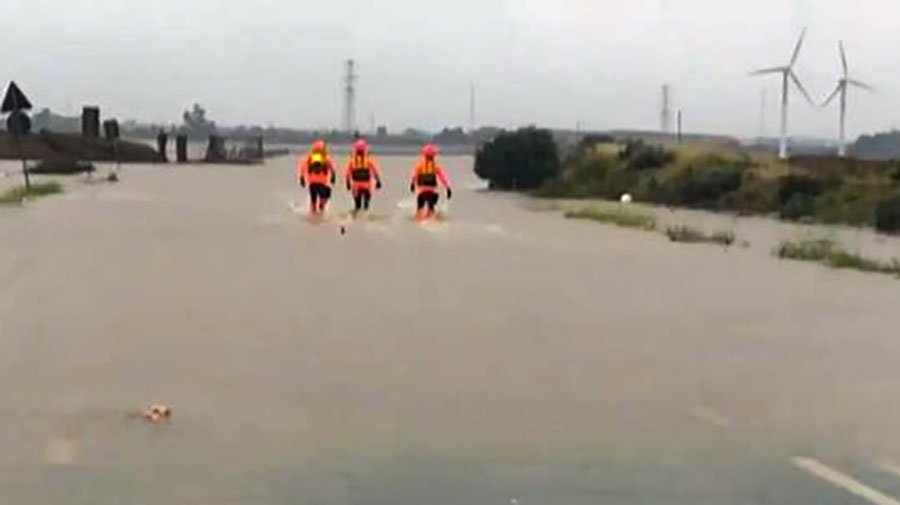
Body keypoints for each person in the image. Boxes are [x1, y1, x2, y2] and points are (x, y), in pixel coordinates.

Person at [409, 144, 452, 220]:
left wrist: (412, 184)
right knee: (431, 208)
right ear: (434, 156)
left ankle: (419, 218)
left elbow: (414, 175)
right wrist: (448, 187)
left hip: (422, 192)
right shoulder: (436, 166)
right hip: (431, 192)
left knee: (419, 208)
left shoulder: (420, 165)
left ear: (424, 155)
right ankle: (430, 217)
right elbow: (443, 177)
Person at [343, 139, 383, 214]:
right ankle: (364, 219)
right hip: (367, 186)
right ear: (365, 150)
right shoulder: (368, 161)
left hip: (356, 186)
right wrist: (378, 181)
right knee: (366, 206)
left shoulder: (352, 161)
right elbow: (375, 172)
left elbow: (347, 174)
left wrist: (347, 183)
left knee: (357, 206)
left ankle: (356, 219)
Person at [298, 140, 336, 215]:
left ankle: (312, 212)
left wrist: (302, 178)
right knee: (327, 193)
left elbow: (303, 167)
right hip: (322, 183)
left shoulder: (309, 158)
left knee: (313, 199)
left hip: (312, 184)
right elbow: (331, 168)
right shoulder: (325, 158)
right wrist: (333, 177)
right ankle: (321, 206)